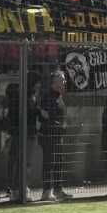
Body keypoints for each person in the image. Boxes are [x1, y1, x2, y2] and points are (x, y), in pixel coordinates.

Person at [38, 71, 72, 201]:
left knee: (58, 162)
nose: (64, 82)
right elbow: (44, 116)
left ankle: (58, 189)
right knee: (49, 162)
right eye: (62, 80)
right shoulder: (49, 96)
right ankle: (47, 190)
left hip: (57, 135)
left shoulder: (58, 96)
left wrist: (62, 125)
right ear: (55, 81)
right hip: (49, 135)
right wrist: (56, 124)